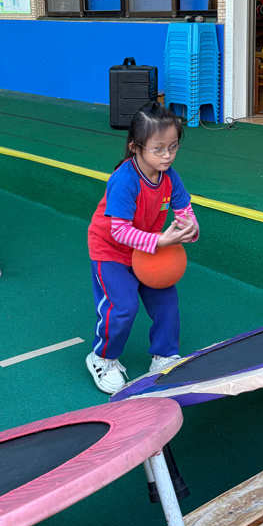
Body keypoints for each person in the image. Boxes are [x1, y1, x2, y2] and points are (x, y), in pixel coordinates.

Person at [86, 102, 199, 394]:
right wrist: (160, 241)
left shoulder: (170, 177)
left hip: (147, 249)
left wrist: (190, 227)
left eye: (173, 147)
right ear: (136, 147)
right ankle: (102, 358)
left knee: (166, 304)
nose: (167, 155)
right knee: (123, 307)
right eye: (158, 149)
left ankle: (165, 355)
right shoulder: (124, 180)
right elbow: (119, 231)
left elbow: (184, 209)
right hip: (111, 251)